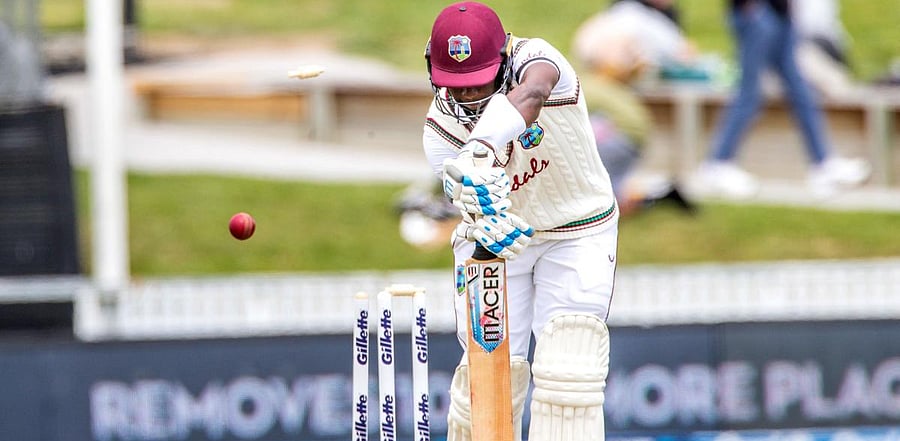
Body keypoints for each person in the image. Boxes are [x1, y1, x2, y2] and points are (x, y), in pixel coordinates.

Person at [422, 2, 617, 440]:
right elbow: (468, 203)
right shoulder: (439, 133)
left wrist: (483, 149)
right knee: (487, 383)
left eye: (476, 84)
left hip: (578, 229)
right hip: (506, 245)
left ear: (504, 60)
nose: (467, 97)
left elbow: (533, 93)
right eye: (456, 87)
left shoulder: (538, 59)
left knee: (571, 373)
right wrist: (483, 224)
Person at [695, 0, 871, 199]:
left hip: (781, 13)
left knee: (800, 92)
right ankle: (717, 163)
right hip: (757, 13)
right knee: (749, 92)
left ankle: (822, 164)